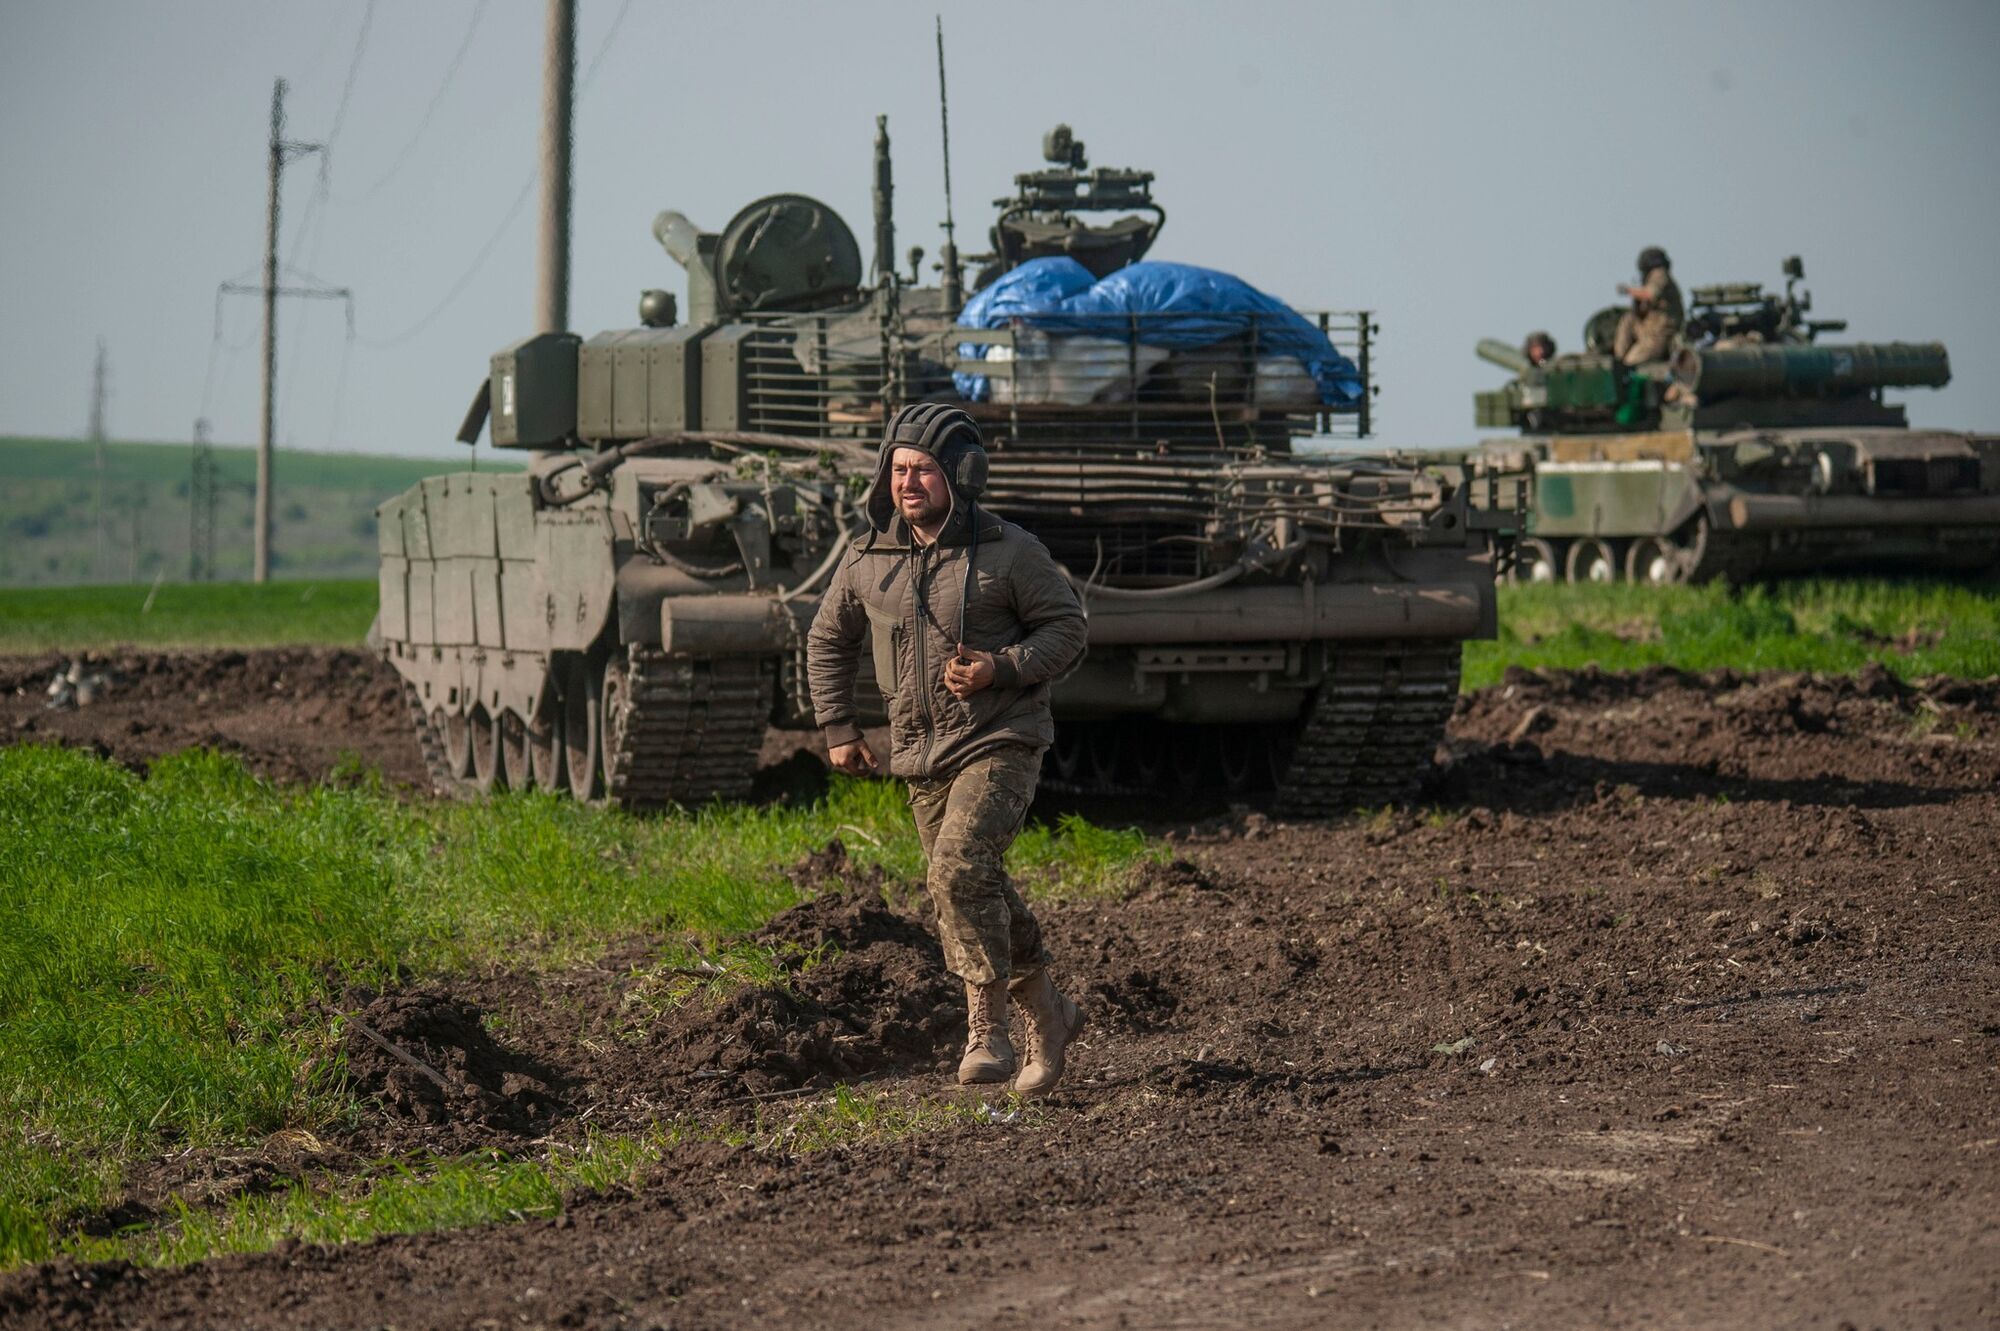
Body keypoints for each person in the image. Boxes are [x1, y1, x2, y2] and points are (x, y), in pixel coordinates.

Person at [806, 402, 1091, 1097]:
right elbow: (825, 640)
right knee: (971, 883)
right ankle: (1050, 1013)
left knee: (960, 866)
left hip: (1001, 738)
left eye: (924, 470)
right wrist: (839, 728)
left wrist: (1002, 666)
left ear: (960, 476)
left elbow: (1068, 628)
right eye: (899, 469)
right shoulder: (868, 558)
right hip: (917, 751)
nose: (909, 483)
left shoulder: (1010, 551)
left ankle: (986, 1030)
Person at [1613, 246, 1684, 366]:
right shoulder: (1650, 279)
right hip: (1649, 331)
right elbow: (1642, 310)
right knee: (1629, 319)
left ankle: (1621, 365)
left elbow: (1649, 294)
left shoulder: (1660, 274)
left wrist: (1629, 291)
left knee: (1631, 363)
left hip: (1659, 334)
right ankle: (1618, 359)